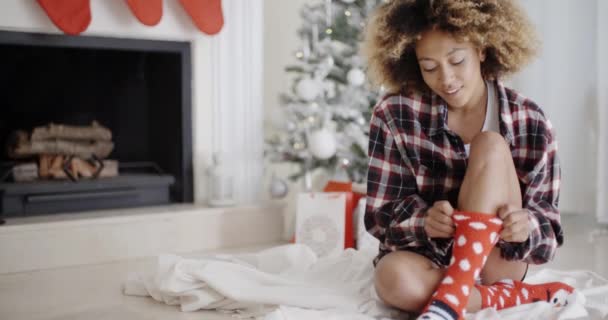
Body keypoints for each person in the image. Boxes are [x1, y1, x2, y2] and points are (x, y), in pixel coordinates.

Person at [361, 0, 574, 319]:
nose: (446, 78)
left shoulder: (529, 120)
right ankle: (488, 296)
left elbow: (549, 230)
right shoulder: (395, 114)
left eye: (457, 60)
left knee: (489, 144)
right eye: (429, 67)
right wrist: (424, 221)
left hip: (496, 259)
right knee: (392, 281)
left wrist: (525, 225)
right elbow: (380, 217)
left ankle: (453, 294)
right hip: (430, 257)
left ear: (482, 49)